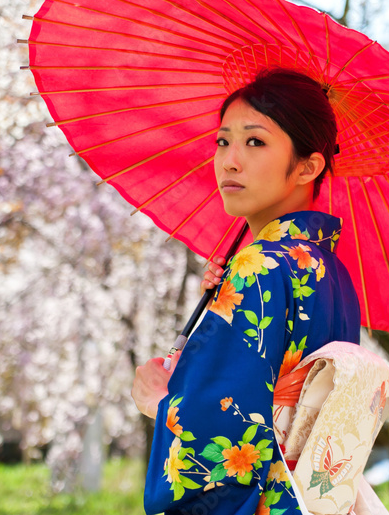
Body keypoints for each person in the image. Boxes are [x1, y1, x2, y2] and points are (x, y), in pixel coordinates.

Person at [132, 69, 362, 515]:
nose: (229, 161)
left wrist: (159, 401)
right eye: (223, 141)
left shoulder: (259, 267)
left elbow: (228, 442)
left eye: (255, 142)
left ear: (308, 166)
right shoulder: (329, 271)